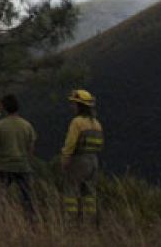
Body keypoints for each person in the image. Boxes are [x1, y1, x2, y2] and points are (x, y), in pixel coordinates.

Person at [0, 93, 37, 217]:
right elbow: (31, 148)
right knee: (27, 197)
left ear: (4, 108)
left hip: (5, 166)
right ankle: (30, 220)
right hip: (23, 166)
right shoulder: (27, 125)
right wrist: (29, 164)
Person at [60, 89, 104, 222]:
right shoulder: (96, 124)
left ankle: (71, 220)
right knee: (90, 193)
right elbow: (101, 144)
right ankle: (90, 221)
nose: (71, 106)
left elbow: (70, 143)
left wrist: (65, 159)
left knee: (71, 191)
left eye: (74, 103)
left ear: (80, 106)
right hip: (93, 161)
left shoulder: (77, 122)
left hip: (78, 160)